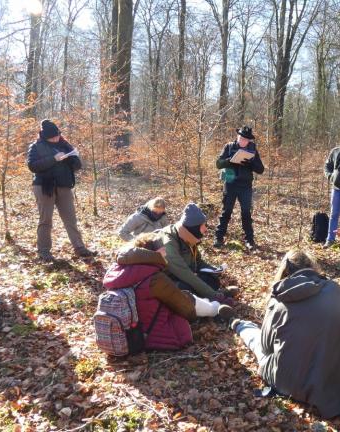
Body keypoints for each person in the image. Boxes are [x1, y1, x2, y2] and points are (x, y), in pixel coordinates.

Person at [229, 249, 340, 418]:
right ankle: (241, 325)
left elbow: (266, 345)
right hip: (334, 378)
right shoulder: (334, 288)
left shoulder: (279, 298)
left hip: (289, 381)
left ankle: (239, 325)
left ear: (285, 271)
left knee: (258, 343)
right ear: (312, 266)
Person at [102, 232, 234, 349]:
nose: (166, 253)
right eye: (163, 250)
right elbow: (184, 307)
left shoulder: (118, 270)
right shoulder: (153, 277)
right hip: (148, 334)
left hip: (126, 330)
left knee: (181, 294)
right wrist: (194, 315)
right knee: (186, 299)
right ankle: (215, 308)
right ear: (155, 252)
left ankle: (213, 300)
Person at [27, 119, 96, 262]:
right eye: (52, 137)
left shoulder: (65, 144)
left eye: (57, 135)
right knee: (46, 220)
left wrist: (70, 159)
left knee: (70, 219)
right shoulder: (36, 147)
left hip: (64, 186)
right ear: (44, 136)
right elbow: (32, 166)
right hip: (44, 187)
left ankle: (79, 248)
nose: (55, 138)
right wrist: (53, 159)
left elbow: (77, 165)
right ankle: (44, 251)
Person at [159, 203, 235, 305]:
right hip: (166, 282)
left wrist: (214, 270)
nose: (205, 229)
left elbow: (197, 261)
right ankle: (213, 304)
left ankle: (215, 296)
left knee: (211, 279)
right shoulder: (168, 242)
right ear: (193, 228)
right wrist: (213, 295)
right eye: (203, 226)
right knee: (186, 288)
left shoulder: (187, 235)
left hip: (183, 276)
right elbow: (184, 273)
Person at [213, 126, 265, 251]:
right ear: (237, 137)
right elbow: (218, 164)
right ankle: (219, 237)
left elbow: (261, 169)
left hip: (245, 186)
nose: (243, 141)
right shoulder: (229, 146)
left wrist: (251, 163)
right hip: (230, 184)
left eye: (246, 139)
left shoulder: (252, 149)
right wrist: (230, 161)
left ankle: (249, 240)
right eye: (241, 138)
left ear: (249, 141)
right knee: (226, 211)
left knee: (246, 213)